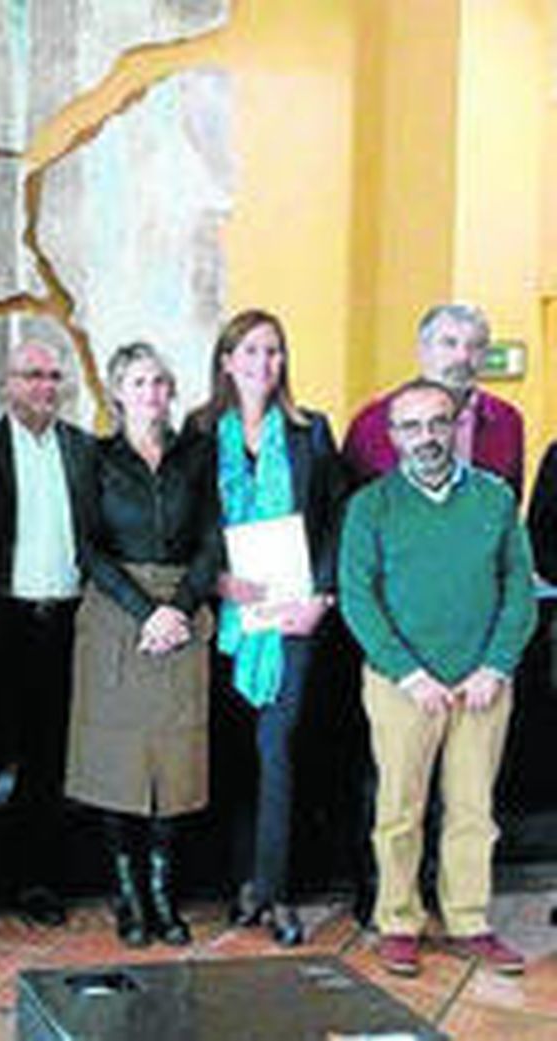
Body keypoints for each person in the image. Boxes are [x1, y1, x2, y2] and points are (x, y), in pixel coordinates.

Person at [339, 378, 535, 978]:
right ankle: (398, 920)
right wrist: (409, 674)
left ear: (455, 427)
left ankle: (469, 920)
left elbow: (518, 593)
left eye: (437, 423)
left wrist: (495, 666)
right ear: (392, 436)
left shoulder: (495, 499)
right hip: (403, 687)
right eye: (411, 426)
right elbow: (357, 598)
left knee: (474, 808)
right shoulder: (370, 506)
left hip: (482, 684)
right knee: (400, 808)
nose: (425, 437)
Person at [187, 310, 346, 947]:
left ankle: (278, 892)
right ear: (226, 360)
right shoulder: (199, 434)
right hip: (227, 619)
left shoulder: (311, 433)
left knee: (276, 753)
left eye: (274, 351)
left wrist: (324, 596)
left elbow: (337, 517)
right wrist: (214, 580)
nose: (263, 362)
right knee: (234, 756)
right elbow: (188, 524)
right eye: (249, 350)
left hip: (292, 620)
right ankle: (242, 884)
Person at [64, 342, 219, 949]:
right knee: (118, 762)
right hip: (116, 612)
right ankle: (127, 894)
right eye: (137, 382)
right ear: (116, 392)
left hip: (183, 607)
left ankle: (162, 891)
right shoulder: (95, 457)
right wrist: (143, 611)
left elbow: (214, 540)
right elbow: (88, 547)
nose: (151, 392)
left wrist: (178, 609)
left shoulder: (197, 455)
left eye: (159, 381)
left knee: (174, 761)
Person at [0, 317, 96, 926]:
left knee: (47, 760)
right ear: (6, 385)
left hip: (63, 623)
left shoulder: (82, 450)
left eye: (52, 377)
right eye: (31, 375)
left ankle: (34, 881)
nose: (44, 386)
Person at [342, 303, 522, 496]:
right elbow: (348, 508)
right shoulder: (372, 422)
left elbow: (510, 504)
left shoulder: (506, 421)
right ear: (423, 349)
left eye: (476, 346)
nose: (462, 357)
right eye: (449, 343)